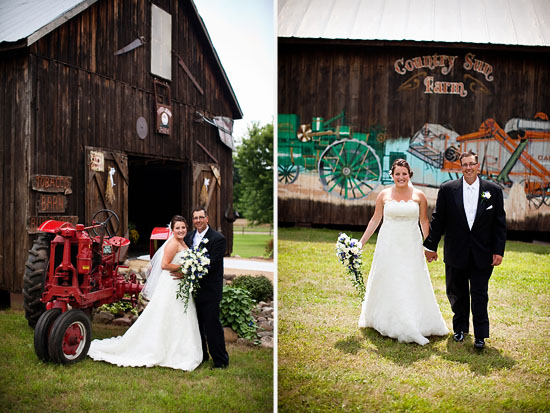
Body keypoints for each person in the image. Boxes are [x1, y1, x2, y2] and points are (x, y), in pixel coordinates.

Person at [88, 215, 203, 370]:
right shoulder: (172, 244)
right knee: (169, 315)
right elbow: (164, 265)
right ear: (172, 230)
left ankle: (181, 350)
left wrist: (189, 270)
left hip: (179, 285)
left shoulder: (182, 242)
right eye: (178, 228)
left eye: (183, 227)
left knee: (179, 316)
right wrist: (184, 268)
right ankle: (164, 351)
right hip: (171, 284)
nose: (181, 230)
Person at [358, 159, 449, 345]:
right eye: (397, 174)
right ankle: (387, 318)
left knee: (410, 279)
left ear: (409, 175)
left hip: (411, 244)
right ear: (392, 175)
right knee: (390, 279)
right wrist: (361, 243)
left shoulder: (419, 195)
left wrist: (429, 246)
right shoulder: (383, 195)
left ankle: (413, 320)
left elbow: (424, 221)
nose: (401, 177)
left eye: (404, 174)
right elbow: (375, 220)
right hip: (388, 244)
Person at [424, 150, 506, 349]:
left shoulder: (493, 190)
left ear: (478, 166)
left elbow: (499, 223)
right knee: (456, 293)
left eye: (472, 164)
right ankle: (459, 329)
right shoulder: (447, 189)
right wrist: (430, 246)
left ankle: (480, 335)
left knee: (480, 294)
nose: (468, 168)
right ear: (460, 166)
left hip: (483, 254)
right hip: (456, 252)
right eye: (465, 164)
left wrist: (498, 250)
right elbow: (438, 220)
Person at [177, 207, 229, 369]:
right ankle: (202, 355)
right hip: (193, 290)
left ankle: (220, 360)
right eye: (195, 218)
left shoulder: (217, 238)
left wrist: (189, 271)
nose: (198, 220)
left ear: (207, 218)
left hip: (210, 290)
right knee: (196, 325)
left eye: (201, 217)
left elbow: (213, 264)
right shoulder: (189, 236)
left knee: (212, 326)